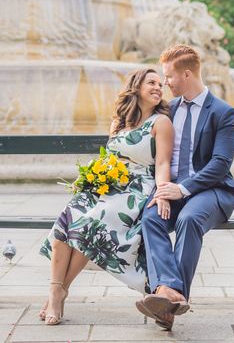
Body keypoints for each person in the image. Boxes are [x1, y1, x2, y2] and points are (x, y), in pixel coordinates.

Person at [39, 67, 174, 326]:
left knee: (93, 223)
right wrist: (91, 177)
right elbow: (108, 159)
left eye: (161, 84)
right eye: (152, 83)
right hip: (109, 184)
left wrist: (164, 193)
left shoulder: (161, 123)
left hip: (136, 189)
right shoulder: (119, 122)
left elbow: (163, 163)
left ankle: (57, 292)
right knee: (65, 223)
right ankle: (57, 289)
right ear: (136, 87)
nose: (158, 87)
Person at [138, 43, 234, 330]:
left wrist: (182, 190)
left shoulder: (223, 112)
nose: (164, 83)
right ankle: (170, 291)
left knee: (189, 218)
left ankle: (168, 305)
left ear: (186, 74)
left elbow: (220, 164)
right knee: (151, 217)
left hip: (214, 190)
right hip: (174, 188)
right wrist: (165, 189)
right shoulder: (168, 110)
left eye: (168, 76)